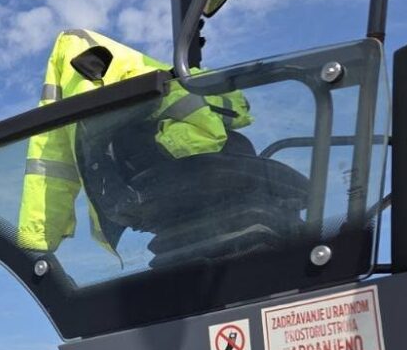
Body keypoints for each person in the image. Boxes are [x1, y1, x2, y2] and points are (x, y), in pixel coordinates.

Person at [16, 27, 253, 255]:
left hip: (191, 168)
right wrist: (36, 237)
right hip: (196, 178)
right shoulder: (120, 72)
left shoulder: (84, 60)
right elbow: (54, 158)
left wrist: (37, 238)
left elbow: (52, 156)